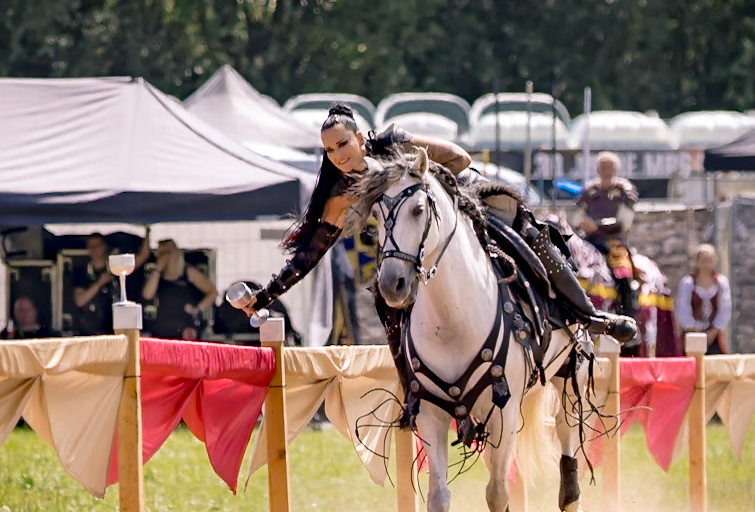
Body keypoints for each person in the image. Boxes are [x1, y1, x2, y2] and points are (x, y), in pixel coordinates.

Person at [236, 106, 636, 363]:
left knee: (531, 234)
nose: (338, 155)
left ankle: (589, 315)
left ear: (360, 137)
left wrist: (410, 171)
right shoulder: (341, 191)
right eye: (329, 150)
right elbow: (310, 254)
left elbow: (460, 159)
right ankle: (411, 379)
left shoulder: (391, 141)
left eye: (343, 143)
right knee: (386, 290)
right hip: (410, 242)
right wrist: (265, 296)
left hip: (461, 196)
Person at [574, 151, 639, 319]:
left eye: (609, 166)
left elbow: (624, 221)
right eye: (603, 166)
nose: (606, 170)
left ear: (616, 169)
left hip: (613, 243)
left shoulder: (624, 190)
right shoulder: (589, 191)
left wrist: (596, 225)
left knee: (622, 273)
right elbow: (578, 217)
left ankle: (628, 312)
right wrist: (583, 224)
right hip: (588, 242)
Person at [73, 231, 151, 335]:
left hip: (116, 327)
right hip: (92, 330)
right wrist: (99, 284)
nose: (94, 249)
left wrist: (147, 230)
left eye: (98, 245)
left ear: (105, 246)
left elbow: (143, 256)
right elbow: (80, 301)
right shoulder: (83, 272)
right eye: (91, 246)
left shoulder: (116, 267)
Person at [142, 239, 218, 340]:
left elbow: (212, 292)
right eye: (161, 254)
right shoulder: (158, 276)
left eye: (168, 253)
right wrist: (158, 269)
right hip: (163, 326)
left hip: (185, 325)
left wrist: (198, 308)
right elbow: (147, 295)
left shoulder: (188, 272)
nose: (165, 257)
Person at [675, 244, 731, 354]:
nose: (707, 264)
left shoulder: (721, 283)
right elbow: (683, 309)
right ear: (697, 262)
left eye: (710, 260)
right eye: (703, 260)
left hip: (714, 337)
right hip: (691, 335)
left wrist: (713, 332)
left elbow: (725, 310)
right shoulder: (688, 283)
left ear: (715, 260)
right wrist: (696, 331)